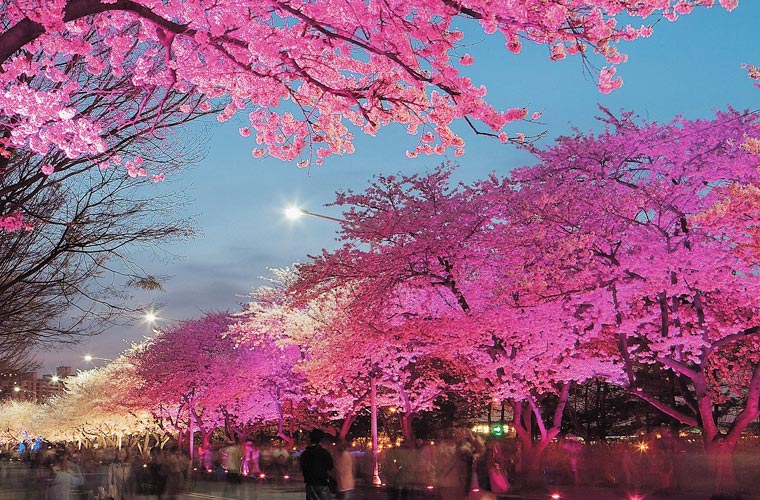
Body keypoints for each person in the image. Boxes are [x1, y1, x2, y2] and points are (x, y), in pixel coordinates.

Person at [299, 429, 334, 500]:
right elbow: (330, 467)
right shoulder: (324, 453)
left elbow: (302, 467)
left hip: (310, 483)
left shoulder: (305, 453)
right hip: (322, 483)